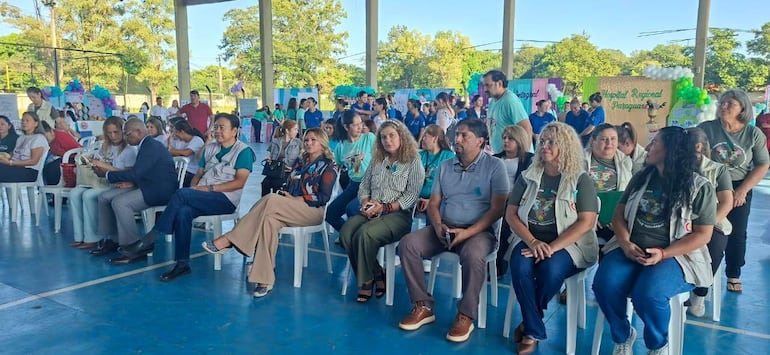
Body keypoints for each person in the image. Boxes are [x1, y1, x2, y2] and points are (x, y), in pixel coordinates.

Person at [593, 126, 716, 355]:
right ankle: (623, 335)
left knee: (648, 294)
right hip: (631, 248)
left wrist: (663, 254)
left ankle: (657, 344)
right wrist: (625, 242)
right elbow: (619, 215)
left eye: (655, 143)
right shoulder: (641, 178)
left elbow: (703, 234)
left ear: (670, 150)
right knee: (604, 285)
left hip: (676, 255)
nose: (648, 148)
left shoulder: (699, 187)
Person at [398, 119, 508, 343]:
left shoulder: (495, 167)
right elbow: (434, 203)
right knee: (407, 244)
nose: (456, 140)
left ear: (480, 141)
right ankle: (423, 305)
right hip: (445, 226)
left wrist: (466, 234)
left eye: (464, 136)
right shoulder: (445, 166)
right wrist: (438, 226)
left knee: (473, 255)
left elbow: (497, 210)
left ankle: (466, 314)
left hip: (478, 231)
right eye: (456, 134)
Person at [202, 128, 337, 297]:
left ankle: (230, 239)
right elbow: (290, 183)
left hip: (312, 210)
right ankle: (265, 279)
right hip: (289, 206)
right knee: (268, 221)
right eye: (306, 140)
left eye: (313, 140)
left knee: (271, 199)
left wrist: (297, 200)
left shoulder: (328, 166)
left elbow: (323, 197)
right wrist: (287, 195)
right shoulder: (301, 162)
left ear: (322, 143)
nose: (308, 143)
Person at [119, 113, 255, 281]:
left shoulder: (243, 151)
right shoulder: (210, 148)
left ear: (234, 131)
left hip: (225, 199)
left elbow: (239, 182)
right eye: (216, 127)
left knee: (181, 194)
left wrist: (207, 188)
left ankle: (150, 239)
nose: (217, 131)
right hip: (203, 194)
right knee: (183, 211)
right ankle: (182, 264)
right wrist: (195, 189)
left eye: (222, 128)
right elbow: (198, 174)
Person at [507, 122, 598, 354]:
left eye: (551, 142)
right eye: (543, 141)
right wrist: (533, 242)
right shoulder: (528, 175)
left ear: (565, 146)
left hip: (569, 245)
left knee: (550, 270)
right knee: (519, 266)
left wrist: (551, 247)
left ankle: (530, 324)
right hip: (529, 240)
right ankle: (534, 328)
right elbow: (511, 214)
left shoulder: (580, 179)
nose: (544, 146)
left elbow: (586, 222)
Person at [340, 120, 424, 302]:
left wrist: (385, 207)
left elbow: (411, 196)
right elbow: (364, 186)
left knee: (364, 234)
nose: (387, 140)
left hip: (397, 215)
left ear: (401, 136)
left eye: (392, 135)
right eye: (383, 137)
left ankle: (366, 281)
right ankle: (377, 273)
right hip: (372, 209)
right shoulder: (377, 160)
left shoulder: (413, 161)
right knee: (346, 232)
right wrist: (365, 202)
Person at [697, 89, 769, 293]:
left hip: (739, 187)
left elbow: (762, 164)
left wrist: (742, 191)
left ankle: (734, 273)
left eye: (730, 103)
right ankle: (700, 272)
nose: (724, 106)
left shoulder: (753, 133)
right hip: (709, 186)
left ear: (742, 108)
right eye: (722, 103)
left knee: (737, 233)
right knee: (704, 229)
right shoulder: (707, 129)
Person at [91, 118, 178, 263]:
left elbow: (137, 173)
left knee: (120, 203)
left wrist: (106, 174)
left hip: (159, 191)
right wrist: (130, 181)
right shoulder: (145, 145)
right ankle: (114, 239)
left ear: (138, 132)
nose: (125, 137)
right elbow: (142, 173)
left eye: (127, 134)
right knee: (104, 197)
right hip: (146, 184)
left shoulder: (150, 147)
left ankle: (133, 248)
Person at [686, 127, 734, 317]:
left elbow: (726, 202)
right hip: (682, 220)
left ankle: (700, 293)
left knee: (713, 244)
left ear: (698, 146)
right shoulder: (676, 166)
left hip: (713, 222)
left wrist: (708, 222)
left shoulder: (717, 169)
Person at [69, 117, 137, 249]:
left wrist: (104, 166)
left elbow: (128, 175)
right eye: (109, 133)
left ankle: (93, 237)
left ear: (122, 132)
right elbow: (100, 165)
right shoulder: (104, 147)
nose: (112, 136)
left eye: (116, 132)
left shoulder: (129, 150)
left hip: (117, 184)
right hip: (101, 181)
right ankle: (80, 236)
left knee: (88, 196)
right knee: (75, 193)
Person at [493, 125, 534, 278]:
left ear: (519, 140)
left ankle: (499, 263)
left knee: (502, 224)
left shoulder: (530, 160)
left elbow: (530, 186)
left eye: (510, 138)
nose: (506, 141)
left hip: (517, 202)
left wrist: (511, 196)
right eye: (504, 138)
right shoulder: (496, 158)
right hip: (495, 199)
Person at [326, 110, 377, 233]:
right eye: (356, 125)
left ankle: (360, 238)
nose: (360, 127)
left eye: (361, 123)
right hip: (353, 185)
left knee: (352, 209)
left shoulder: (369, 138)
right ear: (346, 127)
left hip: (371, 185)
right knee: (330, 214)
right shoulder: (341, 146)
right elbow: (337, 165)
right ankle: (350, 236)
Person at [584, 123, 633, 247]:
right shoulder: (579, 161)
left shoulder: (626, 163)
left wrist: (618, 219)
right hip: (585, 215)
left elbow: (627, 194)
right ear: (592, 141)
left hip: (614, 218)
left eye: (613, 139)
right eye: (603, 139)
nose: (609, 143)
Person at [484, 70, 532, 153]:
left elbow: (526, 127)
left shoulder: (510, 100)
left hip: (515, 158)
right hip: (501, 156)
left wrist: (525, 156)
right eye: (484, 85)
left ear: (499, 83)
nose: (485, 89)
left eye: (488, 85)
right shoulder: (492, 102)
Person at [0, 111, 49, 182]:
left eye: (27, 120)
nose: (24, 122)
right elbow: (14, 155)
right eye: (22, 120)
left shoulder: (39, 138)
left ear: (36, 123)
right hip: (15, 168)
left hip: (29, 171)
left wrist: (10, 163)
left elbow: (33, 161)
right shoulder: (21, 138)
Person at [417, 125, 455, 213]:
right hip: (417, 201)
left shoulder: (448, 156)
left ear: (435, 139)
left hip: (438, 203)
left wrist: (431, 202)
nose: (422, 140)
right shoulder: (419, 155)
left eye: (425, 137)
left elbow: (451, 186)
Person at [261, 120, 301, 197]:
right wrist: (269, 158)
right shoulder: (275, 141)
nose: (297, 132)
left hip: (288, 172)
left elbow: (302, 159)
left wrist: (293, 168)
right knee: (265, 183)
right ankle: (265, 204)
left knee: (278, 184)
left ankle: (277, 204)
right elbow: (270, 155)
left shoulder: (298, 143)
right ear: (287, 131)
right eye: (295, 129)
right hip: (275, 171)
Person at [41, 121, 82, 185]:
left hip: (74, 159)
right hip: (64, 158)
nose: (44, 140)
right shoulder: (48, 141)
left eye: (45, 137)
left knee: (51, 168)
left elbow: (78, 149)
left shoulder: (61, 136)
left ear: (51, 131)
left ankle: (52, 190)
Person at [169, 120, 206, 187]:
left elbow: (186, 153)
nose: (175, 135)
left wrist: (172, 151)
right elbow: (170, 153)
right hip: (180, 170)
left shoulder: (197, 140)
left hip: (192, 172)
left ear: (182, 132)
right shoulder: (178, 141)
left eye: (176, 133)